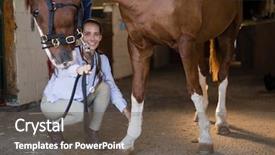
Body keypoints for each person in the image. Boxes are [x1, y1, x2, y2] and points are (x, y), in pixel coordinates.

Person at [40, 18, 130, 144]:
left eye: (96, 34)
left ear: (100, 37)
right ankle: (52, 126)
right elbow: (65, 70)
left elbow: (111, 85)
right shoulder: (70, 53)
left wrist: (125, 110)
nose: (92, 38)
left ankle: (92, 133)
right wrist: (78, 69)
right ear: (81, 36)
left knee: (105, 87)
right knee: (81, 113)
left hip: (79, 100)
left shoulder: (102, 59)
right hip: (54, 102)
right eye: (87, 34)